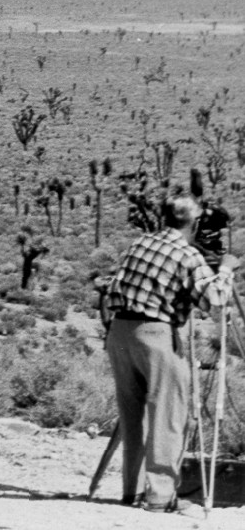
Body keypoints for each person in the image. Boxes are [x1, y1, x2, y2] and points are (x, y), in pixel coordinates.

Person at [105, 194, 238, 512]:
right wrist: (226, 269)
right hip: (156, 335)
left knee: (133, 418)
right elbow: (216, 300)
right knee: (168, 415)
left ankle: (132, 491)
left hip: (119, 332)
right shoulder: (188, 255)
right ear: (195, 223)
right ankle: (161, 497)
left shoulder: (141, 242)